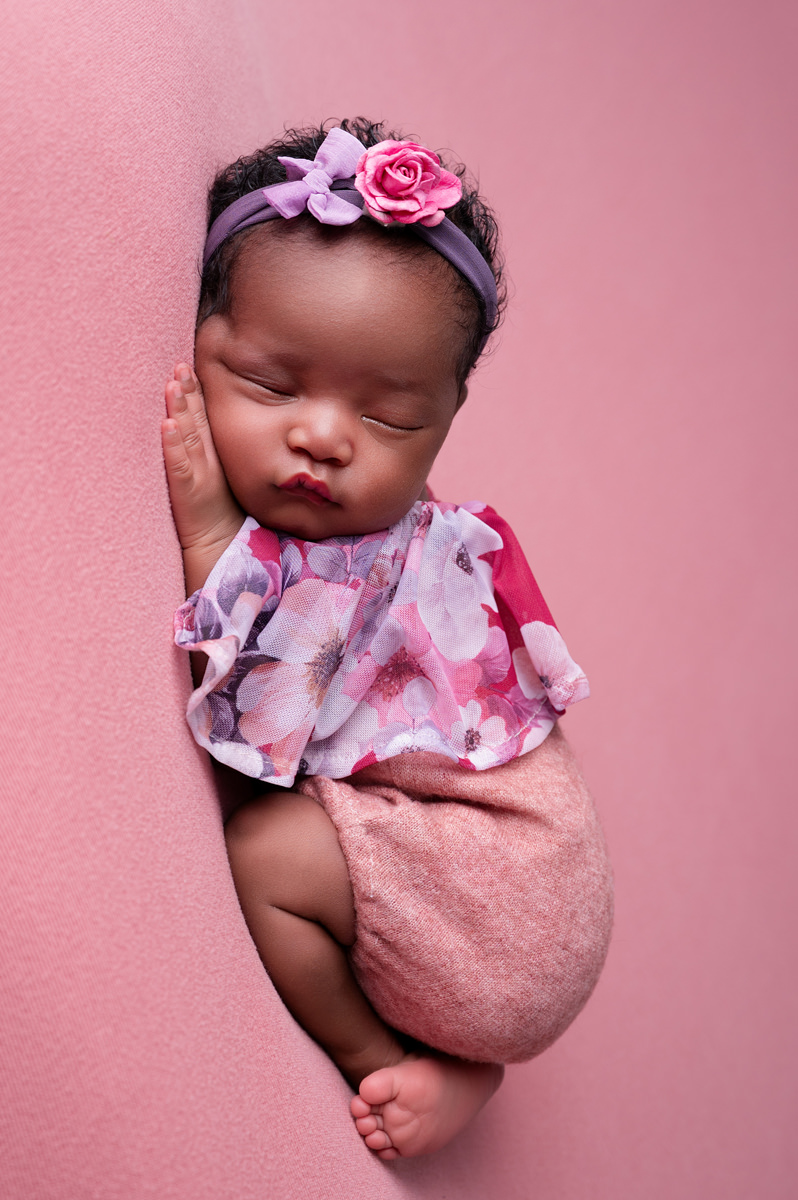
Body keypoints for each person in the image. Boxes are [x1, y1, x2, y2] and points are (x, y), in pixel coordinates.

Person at [162, 119, 613, 1160]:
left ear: (448, 421)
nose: (322, 438)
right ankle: (459, 1052)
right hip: (532, 896)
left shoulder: (342, 562)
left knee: (265, 851)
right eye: (273, 386)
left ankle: (382, 1057)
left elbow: (256, 748)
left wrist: (206, 535)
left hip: (510, 904)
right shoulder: (411, 540)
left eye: (391, 421)